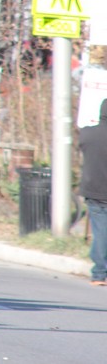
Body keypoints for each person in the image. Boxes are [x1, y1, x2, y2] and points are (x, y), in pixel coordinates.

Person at [79, 99, 107, 286]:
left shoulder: (87, 134)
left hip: (93, 189)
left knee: (101, 231)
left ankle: (99, 272)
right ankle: (99, 272)